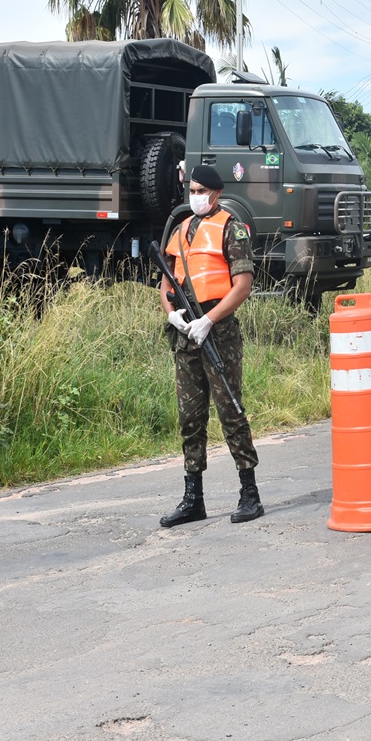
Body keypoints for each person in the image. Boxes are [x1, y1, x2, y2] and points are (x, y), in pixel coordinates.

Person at [158, 164, 263, 527]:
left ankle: (249, 493)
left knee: (231, 412)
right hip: (186, 333)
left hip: (217, 333)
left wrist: (209, 320)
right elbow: (167, 281)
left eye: (201, 190)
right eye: (192, 188)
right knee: (190, 417)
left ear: (216, 193)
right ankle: (193, 498)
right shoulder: (182, 228)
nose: (195, 195)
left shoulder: (231, 227)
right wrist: (172, 313)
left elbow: (243, 286)